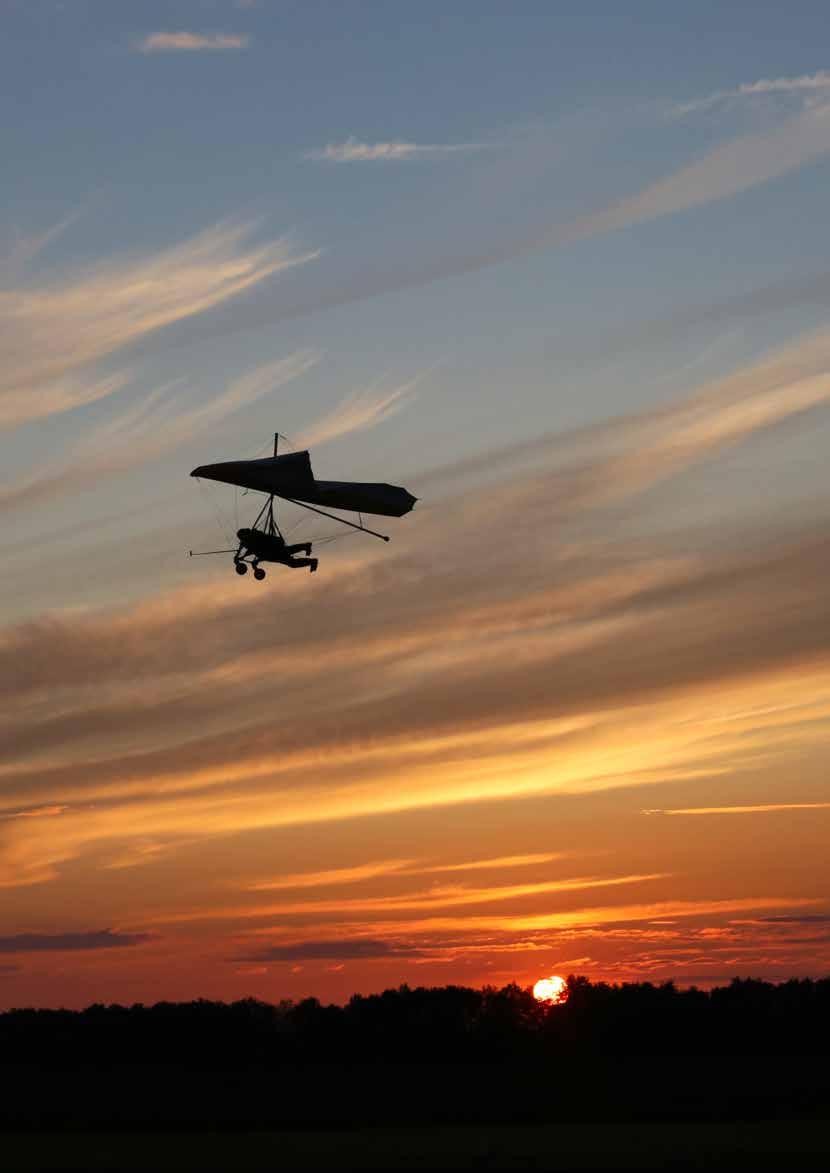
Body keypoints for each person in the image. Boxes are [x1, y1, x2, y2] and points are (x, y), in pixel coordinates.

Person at [235, 528, 318, 573]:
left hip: (274, 550)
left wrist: (242, 557)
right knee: (289, 551)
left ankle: (311, 560)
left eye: (242, 538)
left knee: (291, 562)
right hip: (274, 549)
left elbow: (258, 552)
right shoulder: (252, 541)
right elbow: (258, 552)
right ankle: (305, 547)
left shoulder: (253, 541)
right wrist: (241, 556)